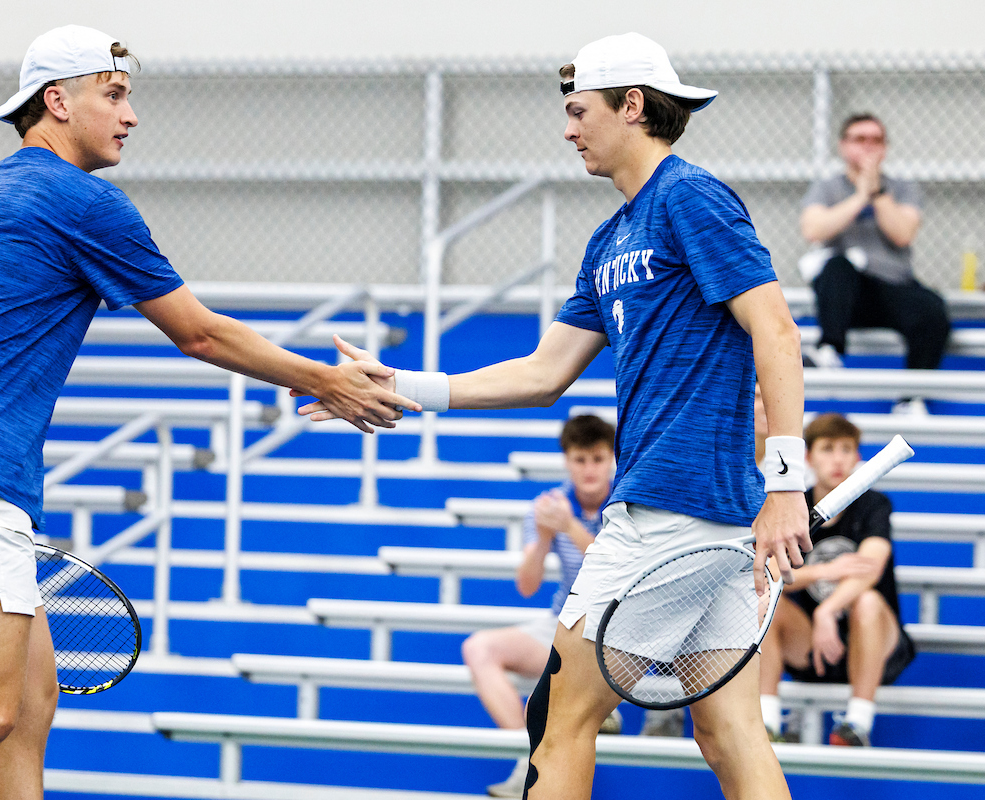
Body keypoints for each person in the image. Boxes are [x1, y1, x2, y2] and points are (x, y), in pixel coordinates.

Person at [0, 25, 416, 800]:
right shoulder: (85, 202)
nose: (130, 115)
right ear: (57, 102)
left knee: (27, 707)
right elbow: (199, 333)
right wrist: (327, 379)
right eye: (114, 94)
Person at [301, 32, 810, 799]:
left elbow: (775, 328)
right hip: (708, 517)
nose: (568, 129)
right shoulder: (610, 239)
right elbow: (544, 373)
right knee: (728, 730)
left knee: (560, 717)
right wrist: (402, 385)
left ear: (632, 105)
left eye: (579, 111)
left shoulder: (689, 196)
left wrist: (787, 483)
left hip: (670, 510)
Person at [462, 415, 619, 798]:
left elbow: (617, 572)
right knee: (478, 648)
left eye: (598, 459)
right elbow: (527, 586)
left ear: (612, 459)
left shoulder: (626, 501)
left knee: (556, 687)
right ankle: (527, 757)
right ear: (567, 461)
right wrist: (545, 538)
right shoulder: (549, 505)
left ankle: (594, 707)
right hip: (563, 620)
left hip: (618, 628)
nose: (589, 469)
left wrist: (570, 528)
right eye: (580, 459)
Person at [759, 414, 915, 747]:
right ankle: (766, 723)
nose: (838, 459)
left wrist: (827, 610)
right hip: (810, 647)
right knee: (766, 602)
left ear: (858, 456)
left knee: (867, 601)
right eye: (828, 449)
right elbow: (771, 573)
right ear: (808, 457)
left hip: (874, 643)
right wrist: (824, 572)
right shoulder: (793, 507)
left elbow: (870, 568)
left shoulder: (874, 505)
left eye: (846, 449)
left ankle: (856, 725)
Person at [799, 113, 950, 414]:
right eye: (859, 139)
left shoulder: (903, 188)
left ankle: (911, 398)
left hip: (893, 287)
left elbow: (903, 234)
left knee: (933, 309)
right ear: (843, 146)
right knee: (836, 266)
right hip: (846, 294)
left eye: (876, 140)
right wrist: (860, 196)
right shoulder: (826, 188)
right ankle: (829, 350)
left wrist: (877, 192)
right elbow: (814, 230)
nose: (868, 146)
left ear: (885, 148)